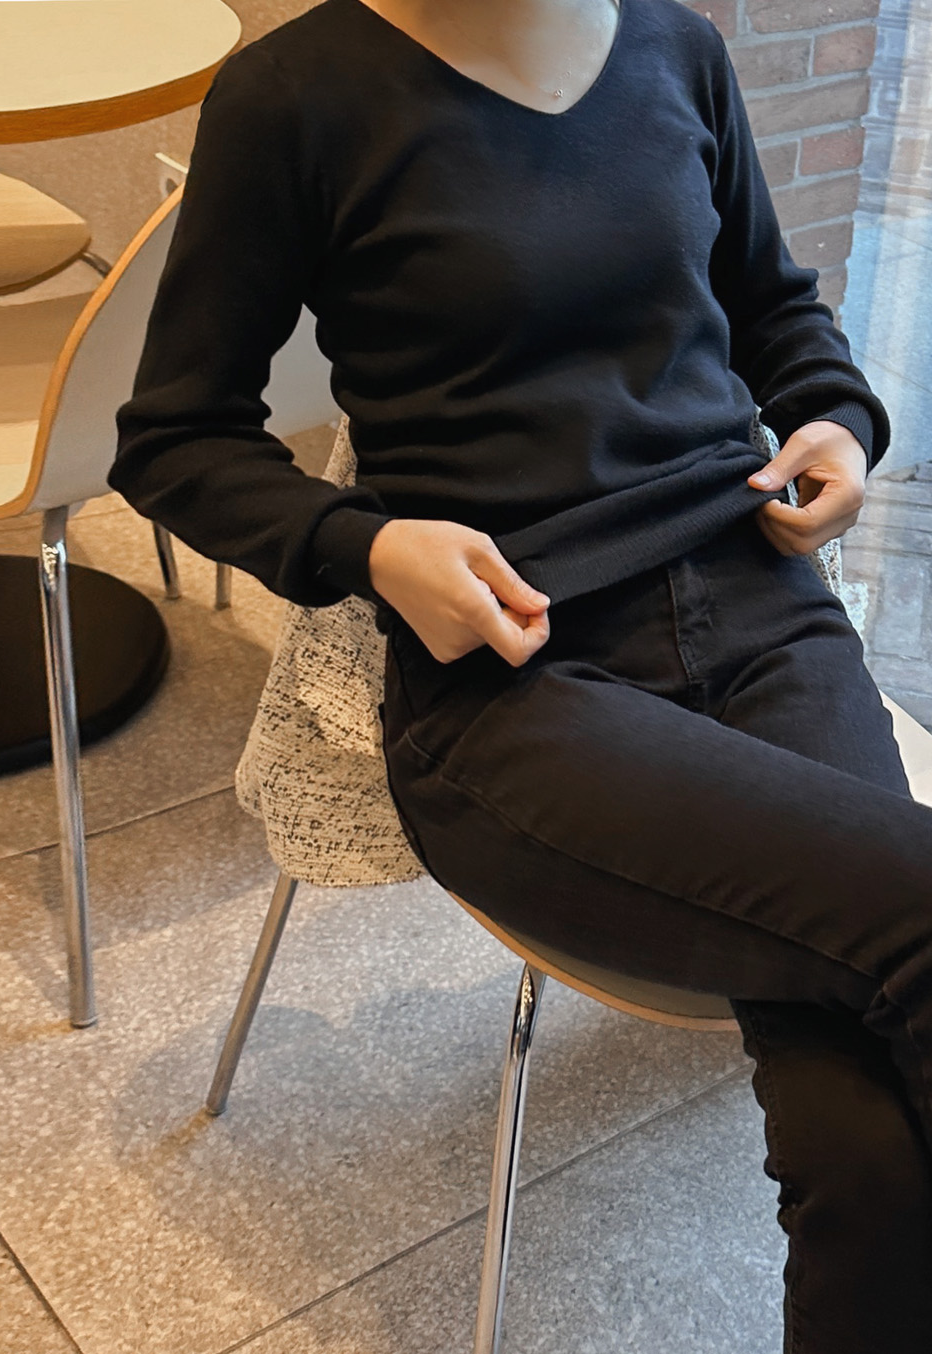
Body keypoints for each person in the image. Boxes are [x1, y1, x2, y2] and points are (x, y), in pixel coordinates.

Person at [109, 0, 932, 1348]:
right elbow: (175, 439)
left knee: (868, 1150)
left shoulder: (677, 49)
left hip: (760, 608)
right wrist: (370, 547)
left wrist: (837, 418)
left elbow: (774, 306)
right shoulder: (296, 97)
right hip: (520, 678)